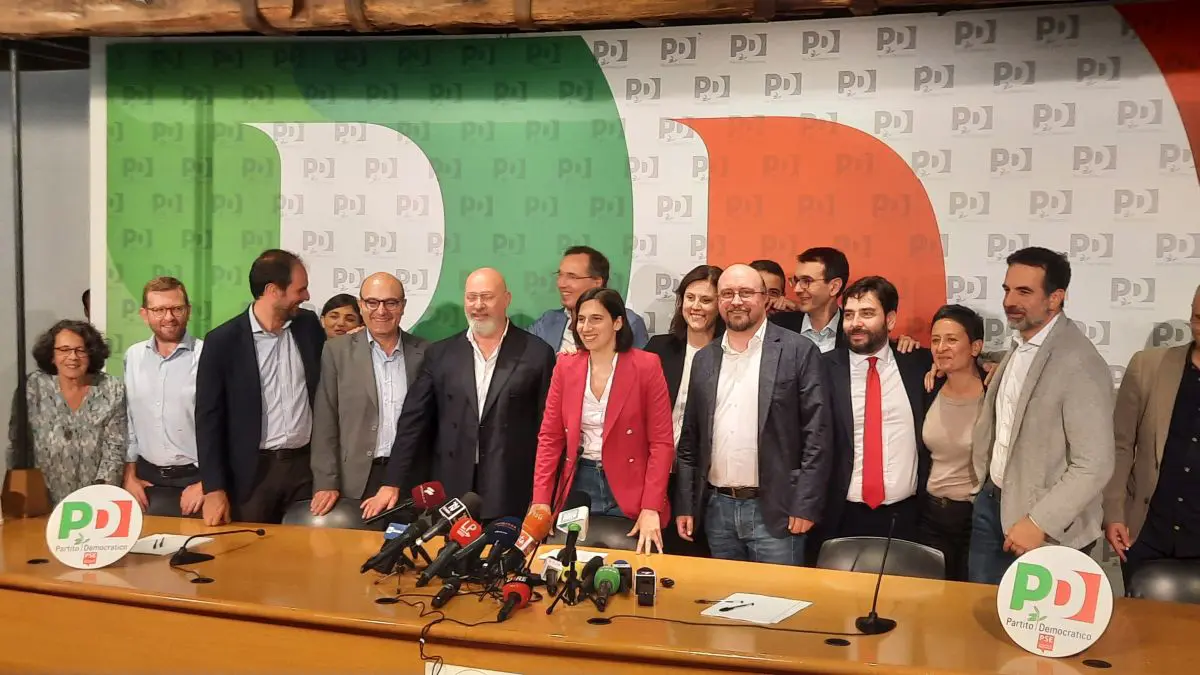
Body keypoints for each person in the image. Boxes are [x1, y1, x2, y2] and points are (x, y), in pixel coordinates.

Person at [969, 247, 1114, 585]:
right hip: (992, 505)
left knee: (1029, 620)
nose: (1009, 301)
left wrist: (1039, 522)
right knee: (980, 610)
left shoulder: (1080, 362)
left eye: (1024, 292)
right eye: (1007, 289)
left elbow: (1094, 464)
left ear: (1055, 298)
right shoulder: (1021, 346)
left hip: (1044, 529)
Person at [674, 264, 832, 565]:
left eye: (746, 293)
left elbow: (818, 436)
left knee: (777, 594)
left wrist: (805, 504)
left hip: (777, 511)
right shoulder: (705, 359)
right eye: (727, 294)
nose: (736, 301)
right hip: (717, 511)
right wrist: (685, 504)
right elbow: (689, 442)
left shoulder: (798, 351)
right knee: (724, 594)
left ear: (764, 298)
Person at [370, 268, 556, 522]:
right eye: (471, 297)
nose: (478, 305)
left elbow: (549, 431)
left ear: (507, 299)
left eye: (486, 297)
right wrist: (392, 482)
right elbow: (413, 422)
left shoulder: (536, 353)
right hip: (451, 491)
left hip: (511, 489)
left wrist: (544, 495)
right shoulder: (440, 354)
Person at [530, 288, 675, 554]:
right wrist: (541, 499)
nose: (586, 327)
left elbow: (661, 443)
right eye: (581, 319)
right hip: (577, 484)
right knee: (566, 563)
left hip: (631, 487)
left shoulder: (646, 366)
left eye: (596, 319)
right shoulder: (565, 366)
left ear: (617, 322)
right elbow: (550, 438)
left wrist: (651, 506)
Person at [196, 249, 326, 526]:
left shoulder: (309, 326)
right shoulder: (222, 342)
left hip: (306, 472)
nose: (306, 296)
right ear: (273, 291)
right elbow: (208, 420)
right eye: (300, 289)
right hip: (252, 476)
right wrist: (214, 489)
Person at [816, 277, 933, 555]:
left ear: (890, 320)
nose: (855, 323)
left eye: (867, 314)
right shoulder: (822, 369)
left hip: (907, 517)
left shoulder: (919, 364)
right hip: (840, 516)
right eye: (849, 315)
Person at [1104, 285, 1200, 589]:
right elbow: (1119, 445)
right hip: (1144, 534)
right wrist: (1114, 513)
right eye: (1198, 318)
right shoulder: (1148, 366)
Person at [312, 273, 428, 520]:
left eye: (391, 303)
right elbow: (325, 420)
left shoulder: (426, 352)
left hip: (410, 478)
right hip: (354, 481)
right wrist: (326, 481)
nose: (381, 311)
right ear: (361, 305)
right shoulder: (336, 351)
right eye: (372, 302)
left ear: (403, 306)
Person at [645, 264, 724, 556]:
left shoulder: (730, 354)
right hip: (657, 474)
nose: (696, 307)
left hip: (703, 481)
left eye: (706, 300)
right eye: (690, 298)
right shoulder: (659, 348)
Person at [6, 320, 125, 504]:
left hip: (94, 500)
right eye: (64, 350)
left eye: (80, 350)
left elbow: (114, 450)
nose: (73, 357)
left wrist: (100, 496)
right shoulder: (32, 387)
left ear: (91, 354)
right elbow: (17, 444)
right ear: (52, 356)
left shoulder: (111, 388)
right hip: (39, 499)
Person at [122, 277, 205, 517]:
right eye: (158, 310)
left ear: (188, 311)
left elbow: (225, 426)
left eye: (176, 308)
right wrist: (129, 476)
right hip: (146, 481)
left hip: (197, 482)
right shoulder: (133, 356)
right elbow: (129, 421)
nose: (169, 317)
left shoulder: (207, 355)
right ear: (144, 314)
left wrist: (208, 484)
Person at [917, 304, 986, 582]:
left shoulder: (994, 390)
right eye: (935, 340)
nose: (941, 347)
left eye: (952, 339)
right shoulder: (928, 386)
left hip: (976, 518)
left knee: (972, 595)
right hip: (930, 516)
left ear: (975, 347)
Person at [528, 246, 649, 352]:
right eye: (560, 275)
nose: (561, 284)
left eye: (572, 277)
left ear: (597, 282)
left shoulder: (628, 321)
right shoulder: (548, 321)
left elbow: (638, 367)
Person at [765, 247, 849, 352]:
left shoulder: (853, 331)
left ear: (834, 287)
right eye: (796, 281)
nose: (796, 289)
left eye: (806, 281)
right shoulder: (777, 326)